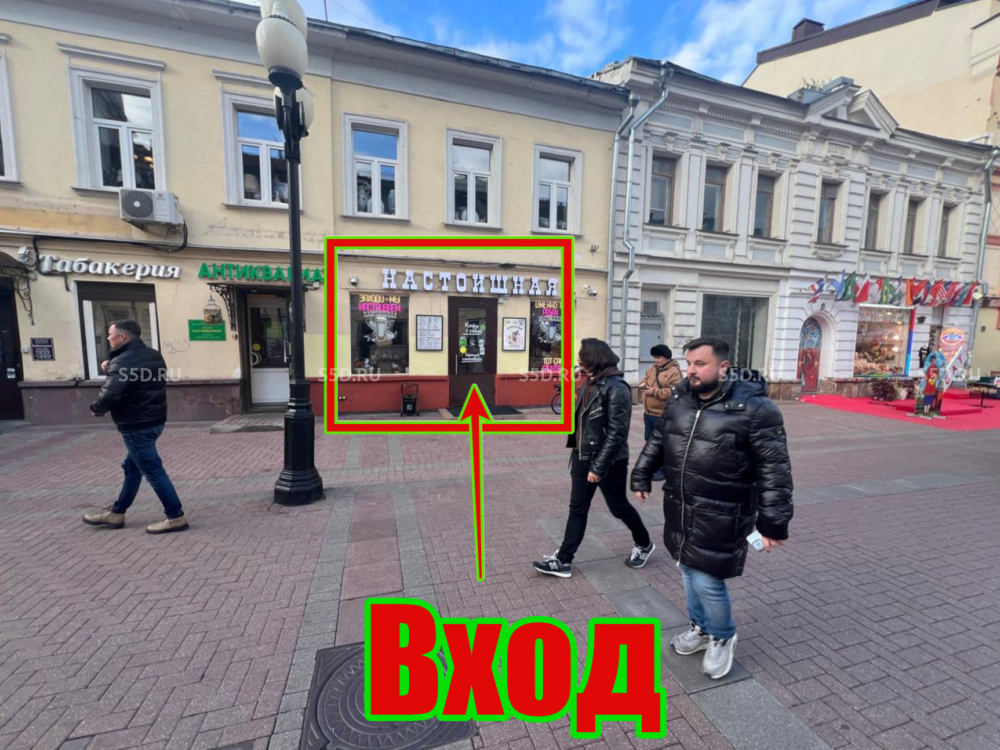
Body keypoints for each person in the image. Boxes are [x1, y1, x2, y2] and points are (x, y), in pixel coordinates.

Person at [631, 336, 792, 679]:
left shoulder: (756, 409)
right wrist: (642, 473)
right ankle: (702, 628)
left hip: (724, 511)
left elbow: (775, 469)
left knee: (706, 579)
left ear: (723, 367)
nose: (691, 370)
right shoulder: (681, 399)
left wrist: (773, 524)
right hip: (681, 506)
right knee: (687, 570)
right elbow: (660, 438)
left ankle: (723, 635)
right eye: (689, 363)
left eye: (700, 364)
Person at [533, 338, 654, 578]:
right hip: (582, 456)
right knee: (577, 508)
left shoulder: (617, 388)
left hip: (609, 461)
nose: (578, 360)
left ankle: (644, 543)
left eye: (582, 356)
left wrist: (598, 467)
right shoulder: (589, 383)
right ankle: (563, 560)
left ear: (593, 359)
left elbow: (617, 434)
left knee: (618, 507)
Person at [82, 319, 189, 534]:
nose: (108, 338)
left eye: (110, 334)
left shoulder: (123, 361)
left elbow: (111, 392)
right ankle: (117, 512)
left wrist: (97, 408)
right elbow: (138, 380)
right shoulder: (153, 355)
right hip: (155, 420)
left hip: (136, 424)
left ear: (122, 337)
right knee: (132, 467)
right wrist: (112, 364)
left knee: (154, 471)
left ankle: (175, 516)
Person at [638, 344, 682, 481]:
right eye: (654, 358)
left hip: (661, 414)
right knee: (650, 441)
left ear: (666, 357)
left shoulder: (674, 372)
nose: (656, 360)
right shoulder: (652, 369)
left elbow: (674, 392)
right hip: (648, 413)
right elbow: (645, 380)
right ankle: (654, 467)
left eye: (659, 357)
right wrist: (642, 385)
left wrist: (655, 392)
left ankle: (662, 470)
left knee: (661, 444)